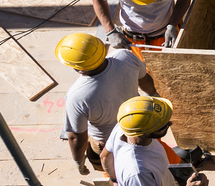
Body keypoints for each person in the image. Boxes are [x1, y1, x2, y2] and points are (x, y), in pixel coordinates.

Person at [55, 32, 155, 176]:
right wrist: (153, 95)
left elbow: (77, 137)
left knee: (115, 174)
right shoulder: (125, 56)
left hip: (108, 145)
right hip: (138, 127)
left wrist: (79, 161)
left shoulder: (77, 96)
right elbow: (145, 81)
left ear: (79, 68)